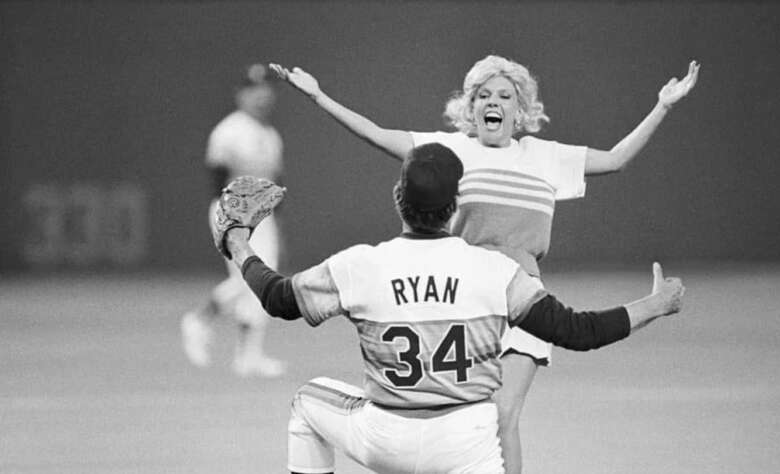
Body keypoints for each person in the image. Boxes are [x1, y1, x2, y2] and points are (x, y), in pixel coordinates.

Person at [268, 55, 700, 471]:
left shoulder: (546, 155)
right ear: (469, 108)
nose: (493, 102)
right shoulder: (451, 150)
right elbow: (378, 134)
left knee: (502, 415)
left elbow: (617, 159)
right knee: (466, 422)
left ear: (520, 109)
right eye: (483, 95)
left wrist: (662, 106)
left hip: (523, 297)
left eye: (505, 96)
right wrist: (319, 97)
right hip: (465, 302)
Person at [220, 142, 686, 474]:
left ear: (399, 198)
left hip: (387, 437)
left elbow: (278, 299)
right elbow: (578, 331)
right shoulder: (495, 271)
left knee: (307, 402)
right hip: (468, 447)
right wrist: (655, 304)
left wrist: (238, 242)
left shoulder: (362, 265)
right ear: (455, 205)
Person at [180, 63, 287, 378]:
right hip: (233, 209)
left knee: (264, 284)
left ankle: (248, 356)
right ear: (241, 95)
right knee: (249, 279)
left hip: (262, 215)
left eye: (266, 90)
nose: (261, 96)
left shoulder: (270, 135)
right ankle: (199, 319)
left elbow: (274, 183)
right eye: (254, 90)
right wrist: (231, 219)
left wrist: (275, 225)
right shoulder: (229, 130)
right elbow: (217, 178)